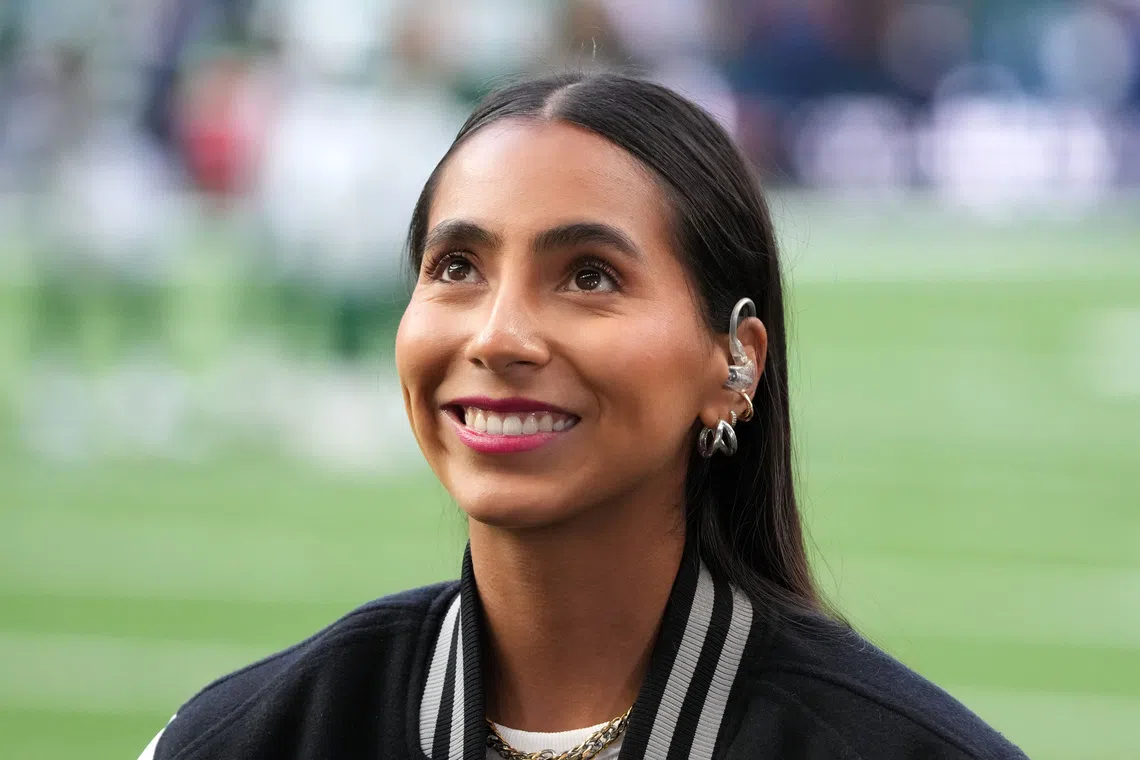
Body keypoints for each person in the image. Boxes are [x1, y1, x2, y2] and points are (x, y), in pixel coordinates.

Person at [137, 70, 1028, 759]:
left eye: (589, 276)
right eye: (457, 268)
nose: (500, 336)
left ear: (735, 361)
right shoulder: (254, 735)